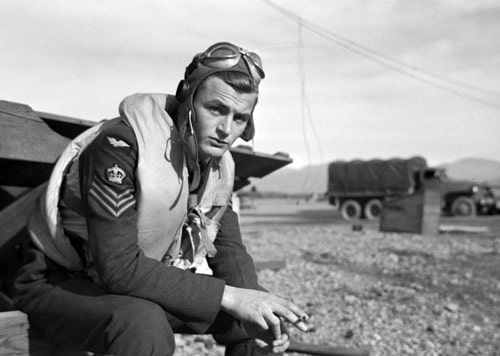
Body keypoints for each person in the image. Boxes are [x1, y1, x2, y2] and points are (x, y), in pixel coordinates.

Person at [13, 42, 309, 356]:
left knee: (255, 321)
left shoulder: (215, 168)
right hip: (57, 281)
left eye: (238, 118)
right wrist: (232, 297)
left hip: (128, 287)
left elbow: (230, 252)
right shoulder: (120, 147)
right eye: (216, 109)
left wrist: (259, 306)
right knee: (141, 323)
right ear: (188, 98)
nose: (225, 129)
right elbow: (119, 268)